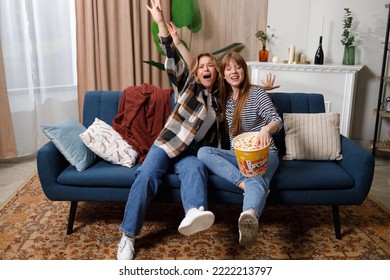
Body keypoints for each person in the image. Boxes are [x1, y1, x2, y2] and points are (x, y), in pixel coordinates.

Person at [116, 0, 224, 260]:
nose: (206, 69)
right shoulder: (188, 86)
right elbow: (172, 56)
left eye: (211, 65)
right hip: (167, 144)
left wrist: (261, 90)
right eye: (202, 66)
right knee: (147, 176)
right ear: (196, 72)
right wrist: (162, 24)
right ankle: (128, 236)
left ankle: (193, 213)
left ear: (216, 72)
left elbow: (243, 92)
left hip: (192, 152)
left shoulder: (221, 102)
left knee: (196, 169)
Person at [198, 52, 283, 246]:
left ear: (244, 70)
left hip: (264, 153)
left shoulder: (256, 94)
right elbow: (199, 71)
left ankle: (249, 215)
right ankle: (250, 186)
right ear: (224, 75)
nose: (234, 72)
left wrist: (266, 129)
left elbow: (276, 120)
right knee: (204, 152)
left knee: (254, 172)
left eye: (238, 67)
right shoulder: (224, 97)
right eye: (228, 69)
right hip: (239, 155)